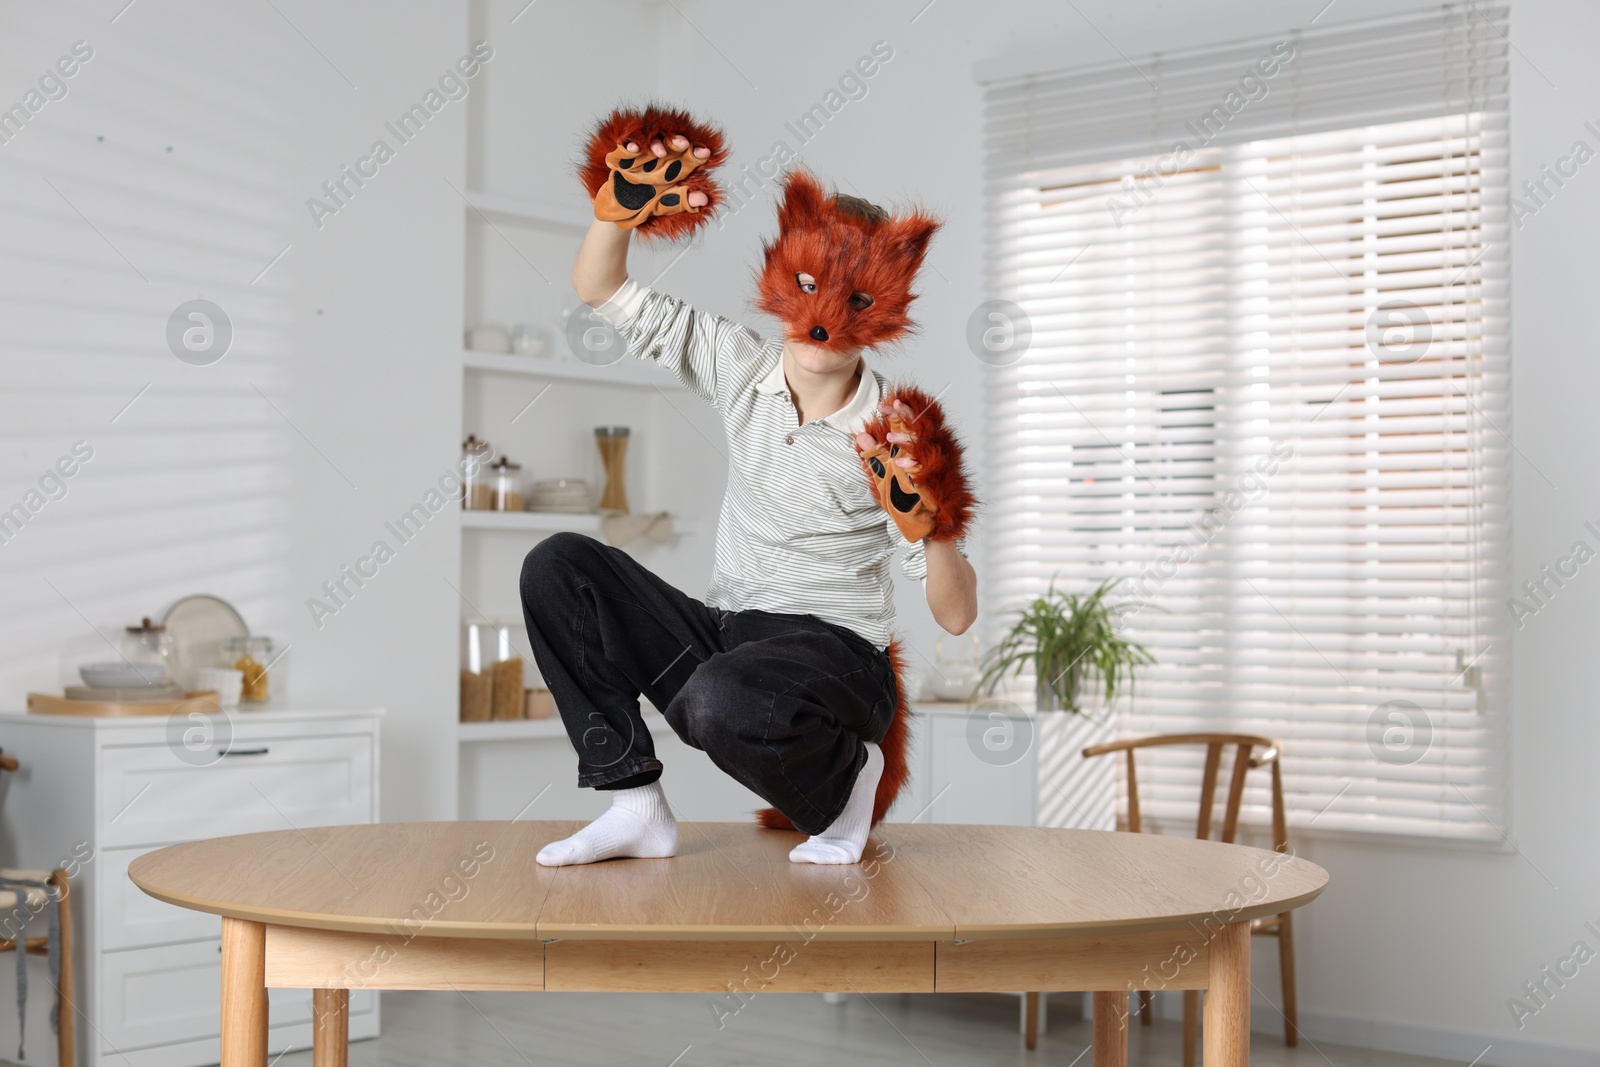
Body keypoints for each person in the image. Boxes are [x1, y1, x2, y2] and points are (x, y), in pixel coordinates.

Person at [521, 105, 976, 867]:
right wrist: (616, 211)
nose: (820, 328)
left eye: (852, 305)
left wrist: (935, 528)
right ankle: (634, 802)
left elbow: (956, 616)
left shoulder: (893, 436)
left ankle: (847, 780)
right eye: (807, 296)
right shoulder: (741, 365)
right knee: (559, 566)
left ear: (879, 313)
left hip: (838, 661)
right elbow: (599, 284)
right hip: (730, 632)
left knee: (716, 698)